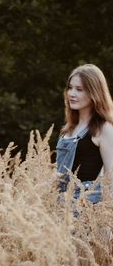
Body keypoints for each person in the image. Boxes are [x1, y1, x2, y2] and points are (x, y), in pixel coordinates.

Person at [56, 63, 113, 204]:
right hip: (59, 206)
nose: (72, 94)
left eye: (79, 89)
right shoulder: (68, 129)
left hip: (85, 209)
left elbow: (110, 182)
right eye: (70, 88)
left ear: (94, 93)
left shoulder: (103, 129)